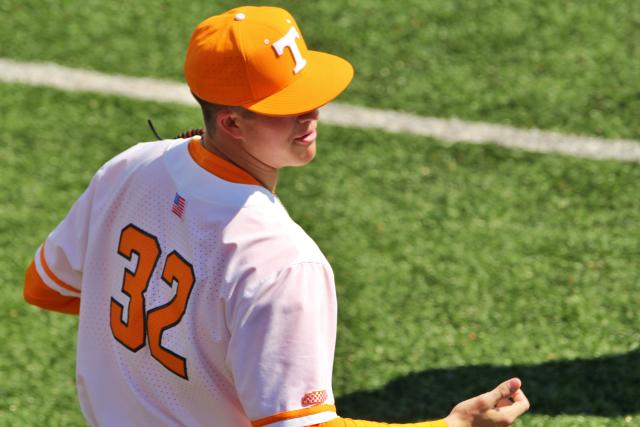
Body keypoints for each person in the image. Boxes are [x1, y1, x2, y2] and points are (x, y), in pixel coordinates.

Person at [23, 5, 529, 427]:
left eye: (311, 94)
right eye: (287, 104)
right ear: (231, 122)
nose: (311, 114)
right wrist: (452, 426)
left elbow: (48, 286)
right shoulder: (281, 262)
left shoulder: (131, 166)